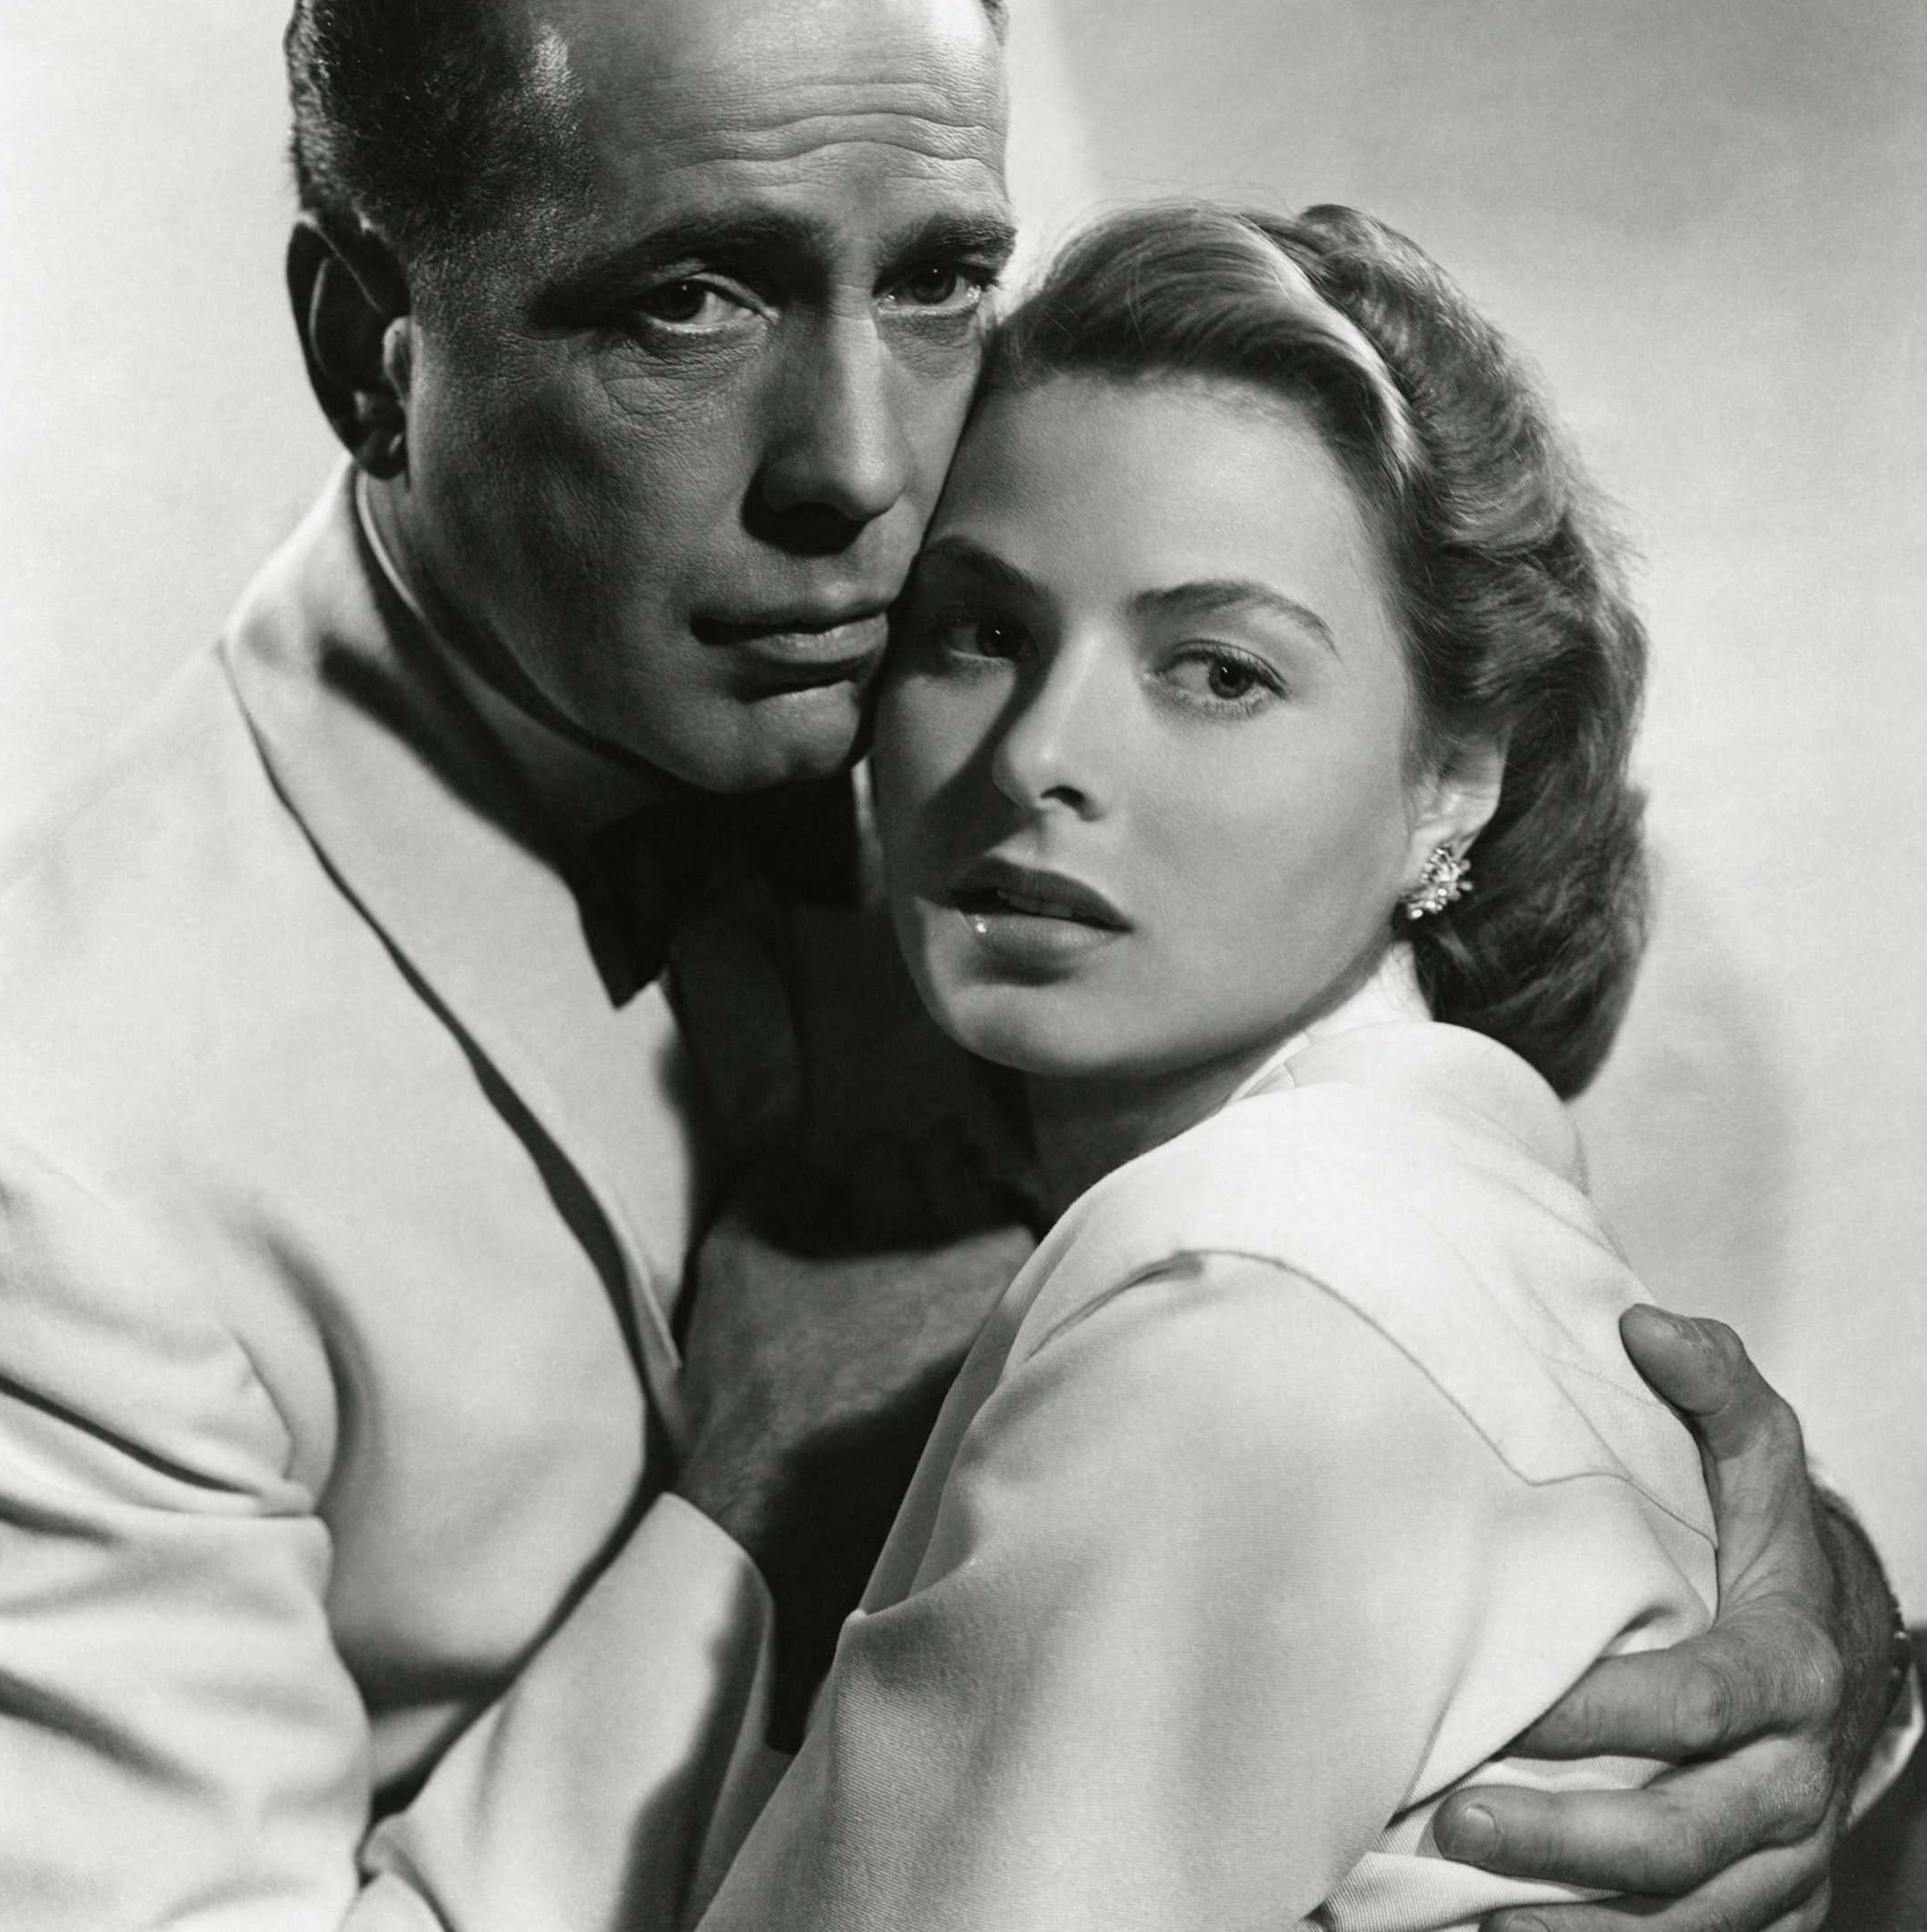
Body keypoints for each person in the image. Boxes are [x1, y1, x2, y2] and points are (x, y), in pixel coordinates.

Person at [0, 0, 1903, 1932]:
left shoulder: (1019, 686)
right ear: (362, 347)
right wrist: (757, 1497)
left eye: (937, 279)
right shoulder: (36, 1159)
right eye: (692, 299)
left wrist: (1792, 1627)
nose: (860, 467)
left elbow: (1394, 1381)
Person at [690, 200, 1899, 1929]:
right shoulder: (1412, 1238)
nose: (1038, 756)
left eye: (1217, 670)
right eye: (979, 632)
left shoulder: (1244, 1285)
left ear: (1453, 776)